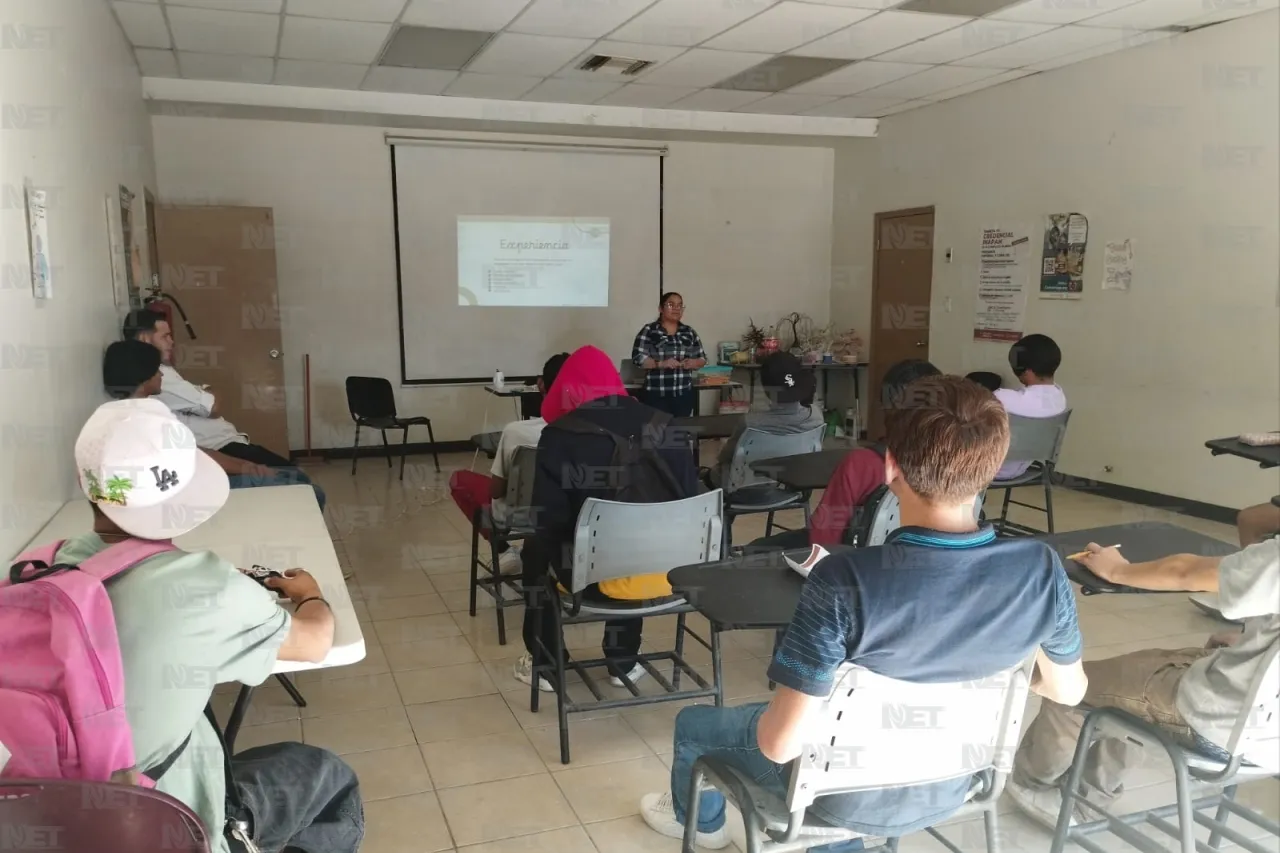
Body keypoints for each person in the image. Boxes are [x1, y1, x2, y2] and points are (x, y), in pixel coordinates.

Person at [639, 375, 1088, 850]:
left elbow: (780, 745)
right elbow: (1068, 690)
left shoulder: (842, 581)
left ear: (890, 466)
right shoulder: (1042, 570)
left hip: (843, 794)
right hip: (953, 782)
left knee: (695, 725)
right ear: (996, 464)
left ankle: (702, 829)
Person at [57, 397, 362, 853]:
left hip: (52, 815)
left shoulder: (42, 568)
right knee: (328, 776)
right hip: (169, 823)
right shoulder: (205, 587)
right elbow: (316, 640)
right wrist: (310, 594)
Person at [1009, 534, 1280, 828]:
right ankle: (1087, 794)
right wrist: (1255, 642)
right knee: (1137, 673)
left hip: (1223, 724)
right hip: (1270, 746)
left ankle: (1036, 786)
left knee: (1069, 686)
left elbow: (1185, 572)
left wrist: (1117, 570)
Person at [514, 345, 700, 692]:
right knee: (637, 538)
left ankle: (548, 664)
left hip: (592, 577)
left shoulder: (559, 436)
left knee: (536, 551)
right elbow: (689, 500)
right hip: (672, 570)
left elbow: (547, 520)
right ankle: (623, 661)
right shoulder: (666, 424)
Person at [122, 308, 326, 511]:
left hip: (220, 448)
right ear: (145, 338)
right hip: (219, 451)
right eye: (165, 336)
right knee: (304, 487)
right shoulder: (159, 383)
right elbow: (212, 407)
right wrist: (252, 469)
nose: (172, 342)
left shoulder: (158, 377)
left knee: (298, 479)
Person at [749, 359, 941, 550]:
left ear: (884, 407)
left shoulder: (862, 464)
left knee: (757, 548)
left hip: (851, 564)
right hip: (916, 563)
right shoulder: (957, 462)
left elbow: (823, 538)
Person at [448, 352, 569, 571]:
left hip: (517, 517)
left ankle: (504, 550)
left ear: (541, 385)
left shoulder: (516, 432)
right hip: (569, 515)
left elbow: (495, 491)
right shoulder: (590, 430)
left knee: (460, 480)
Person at [709, 351, 824, 489]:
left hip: (743, 489)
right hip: (791, 487)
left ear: (766, 387)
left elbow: (726, 457)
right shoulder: (816, 416)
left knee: (712, 473)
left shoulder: (750, 422)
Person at [993, 333, 1066, 480]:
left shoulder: (1002, 398)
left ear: (1027, 372)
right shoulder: (1060, 398)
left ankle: (971, 501)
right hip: (1024, 468)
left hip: (988, 469)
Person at [631, 291, 707, 418]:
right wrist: (660, 364)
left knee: (679, 434)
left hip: (683, 395)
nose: (676, 309)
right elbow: (638, 357)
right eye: (671, 305)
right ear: (661, 308)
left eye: (680, 306)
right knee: (656, 435)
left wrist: (694, 363)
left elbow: (702, 358)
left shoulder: (689, 331)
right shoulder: (649, 330)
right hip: (656, 395)